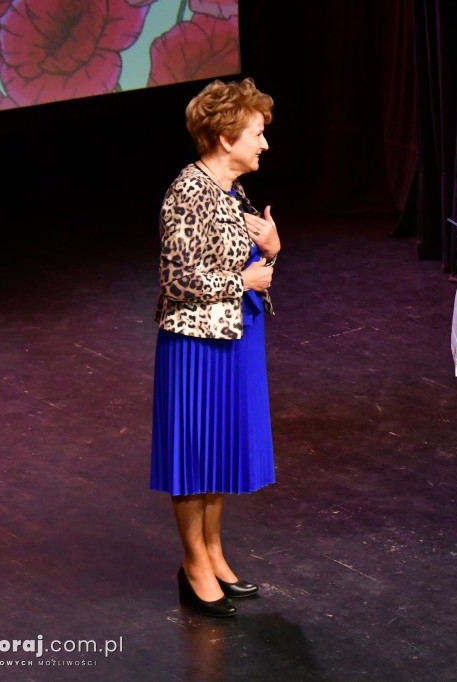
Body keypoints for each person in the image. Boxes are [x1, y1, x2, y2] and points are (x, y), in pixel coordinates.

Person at [150, 78, 281, 617]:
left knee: (220, 450)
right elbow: (176, 276)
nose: (264, 144)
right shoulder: (188, 189)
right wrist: (244, 281)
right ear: (226, 138)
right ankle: (193, 564)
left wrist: (272, 249)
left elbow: (252, 261)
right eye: (256, 133)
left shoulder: (231, 190)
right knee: (194, 456)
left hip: (235, 335)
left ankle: (215, 553)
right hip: (194, 344)